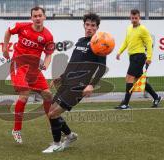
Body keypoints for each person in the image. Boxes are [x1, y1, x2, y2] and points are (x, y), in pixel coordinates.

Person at [42, 13, 107, 153]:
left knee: (53, 114)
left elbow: (101, 68)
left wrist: (91, 85)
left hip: (79, 86)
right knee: (50, 111)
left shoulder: (99, 44)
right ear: (84, 25)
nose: (89, 28)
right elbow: (73, 63)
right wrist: (62, 76)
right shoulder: (80, 41)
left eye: (93, 25)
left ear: (97, 28)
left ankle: (56, 143)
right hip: (67, 82)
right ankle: (70, 136)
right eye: (87, 25)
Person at [2, 6, 54, 144]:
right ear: (31, 18)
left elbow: (49, 54)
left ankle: (52, 123)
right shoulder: (22, 27)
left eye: (40, 15)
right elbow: (8, 31)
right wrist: (5, 47)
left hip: (34, 69)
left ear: (44, 17)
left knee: (48, 95)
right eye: (35, 16)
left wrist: (46, 65)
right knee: (24, 94)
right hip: (18, 65)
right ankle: (17, 130)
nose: (37, 18)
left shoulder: (48, 36)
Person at [115, 9, 162, 109]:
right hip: (132, 57)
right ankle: (156, 97)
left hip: (139, 57)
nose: (134, 20)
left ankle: (125, 103)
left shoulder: (143, 29)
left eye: (136, 18)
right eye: (132, 18)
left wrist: (149, 57)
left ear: (139, 18)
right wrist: (119, 52)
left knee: (129, 78)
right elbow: (126, 42)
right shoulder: (129, 28)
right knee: (138, 81)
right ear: (130, 18)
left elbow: (149, 43)